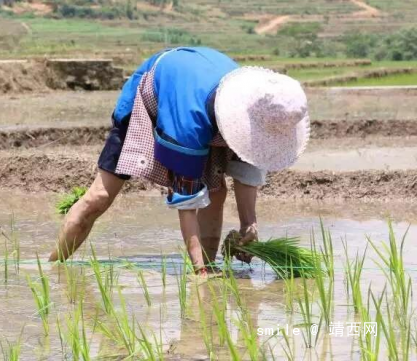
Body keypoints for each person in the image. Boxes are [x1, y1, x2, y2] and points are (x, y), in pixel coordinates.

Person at [49, 47, 310, 275]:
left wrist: (248, 226)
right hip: (156, 96)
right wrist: (200, 272)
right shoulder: (188, 124)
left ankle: (210, 262)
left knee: (216, 192)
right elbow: (186, 202)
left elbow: (247, 170)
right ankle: (52, 267)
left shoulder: (262, 114)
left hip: (203, 93)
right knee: (99, 197)